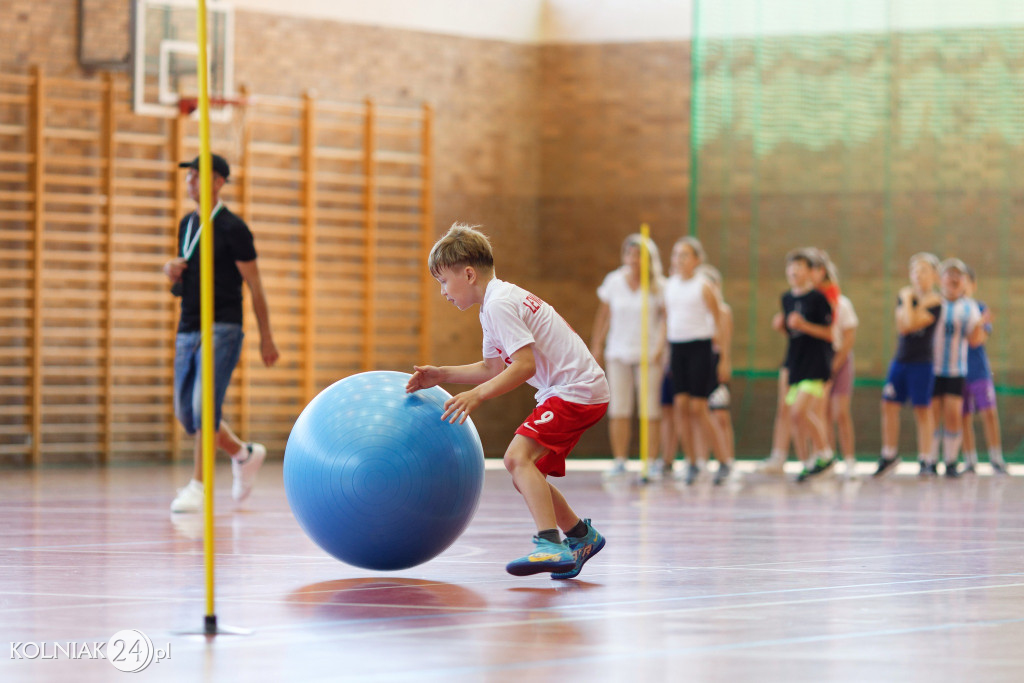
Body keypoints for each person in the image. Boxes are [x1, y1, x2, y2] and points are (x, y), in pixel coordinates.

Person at [406, 223, 609, 579]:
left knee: (516, 458)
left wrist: (477, 396)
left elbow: (524, 365)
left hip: (575, 390)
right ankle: (581, 536)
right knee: (523, 471)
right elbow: (492, 367)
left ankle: (550, 544)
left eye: (443, 281)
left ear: (468, 274)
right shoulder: (492, 305)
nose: (442, 292)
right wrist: (443, 374)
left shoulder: (499, 303)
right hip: (569, 390)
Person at [164, 153, 279, 513]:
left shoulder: (233, 228)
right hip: (189, 326)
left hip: (223, 327)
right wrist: (173, 272)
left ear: (218, 181)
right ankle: (243, 455)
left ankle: (199, 485)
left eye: (198, 176)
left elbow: (255, 287)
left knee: (205, 407)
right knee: (187, 413)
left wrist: (266, 336)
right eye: (189, 177)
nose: (191, 182)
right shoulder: (187, 224)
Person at [590, 234, 666, 479]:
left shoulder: (658, 285)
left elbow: (666, 318)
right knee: (619, 409)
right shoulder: (614, 281)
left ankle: (651, 462)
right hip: (618, 352)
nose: (633, 259)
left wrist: (660, 348)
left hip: (648, 355)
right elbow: (604, 315)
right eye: (630, 254)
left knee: (650, 410)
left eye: (639, 255)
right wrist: (597, 345)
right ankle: (620, 460)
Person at [664, 237, 731, 485]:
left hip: (700, 348)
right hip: (677, 348)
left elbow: (719, 318)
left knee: (699, 407)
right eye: (675, 255)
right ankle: (692, 462)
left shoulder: (703, 286)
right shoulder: (670, 285)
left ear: (697, 260)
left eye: (684, 255)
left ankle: (723, 461)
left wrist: (722, 357)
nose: (679, 260)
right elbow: (668, 318)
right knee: (680, 405)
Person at [873, 253, 942, 477]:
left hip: (922, 362)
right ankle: (889, 454)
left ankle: (926, 459)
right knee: (889, 405)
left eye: (923, 271)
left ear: (934, 275)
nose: (918, 275)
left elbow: (911, 323)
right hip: (901, 360)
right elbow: (901, 327)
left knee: (922, 409)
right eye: (914, 271)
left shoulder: (937, 302)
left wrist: (911, 302)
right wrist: (910, 301)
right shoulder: (905, 296)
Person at [774, 249, 835, 482]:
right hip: (796, 362)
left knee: (801, 410)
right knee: (793, 414)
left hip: (816, 364)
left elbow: (829, 334)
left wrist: (804, 325)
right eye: (790, 266)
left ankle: (825, 454)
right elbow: (793, 333)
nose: (794, 270)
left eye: (799, 266)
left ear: (811, 272)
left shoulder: (819, 299)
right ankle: (810, 461)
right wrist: (784, 327)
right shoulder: (787, 299)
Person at [926, 259, 983, 477]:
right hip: (932, 367)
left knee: (953, 414)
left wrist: (980, 325)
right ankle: (930, 459)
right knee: (932, 413)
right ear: (941, 279)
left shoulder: (968, 306)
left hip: (955, 369)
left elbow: (975, 340)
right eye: (949, 274)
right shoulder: (932, 302)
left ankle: (950, 461)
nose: (953, 278)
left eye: (957, 275)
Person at [960, 267, 1007, 475]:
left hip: (979, 371)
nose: (960, 286)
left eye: (964, 282)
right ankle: (970, 460)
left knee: (988, 412)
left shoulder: (979, 307)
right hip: (958, 372)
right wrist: (978, 323)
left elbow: (976, 340)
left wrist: (978, 323)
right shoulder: (950, 309)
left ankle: (996, 458)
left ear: (972, 285)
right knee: (963, 416)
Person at [693, 264, 735, 476]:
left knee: (720, 415)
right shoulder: (694, 311)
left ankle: (728, 460)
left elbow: (724, 339)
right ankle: (701, 461)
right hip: (699, 360)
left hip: (715, 361)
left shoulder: (723, 311)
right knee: (700, 413)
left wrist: (725, 362)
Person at [828, 269, 859, 478]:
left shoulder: (842, 304)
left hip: (840, 360)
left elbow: (849, 337)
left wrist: (835, 364)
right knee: (822, 414)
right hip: (819, 361)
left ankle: (849, 460)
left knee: (840, 412)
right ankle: (828, 459)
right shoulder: (813, 303)